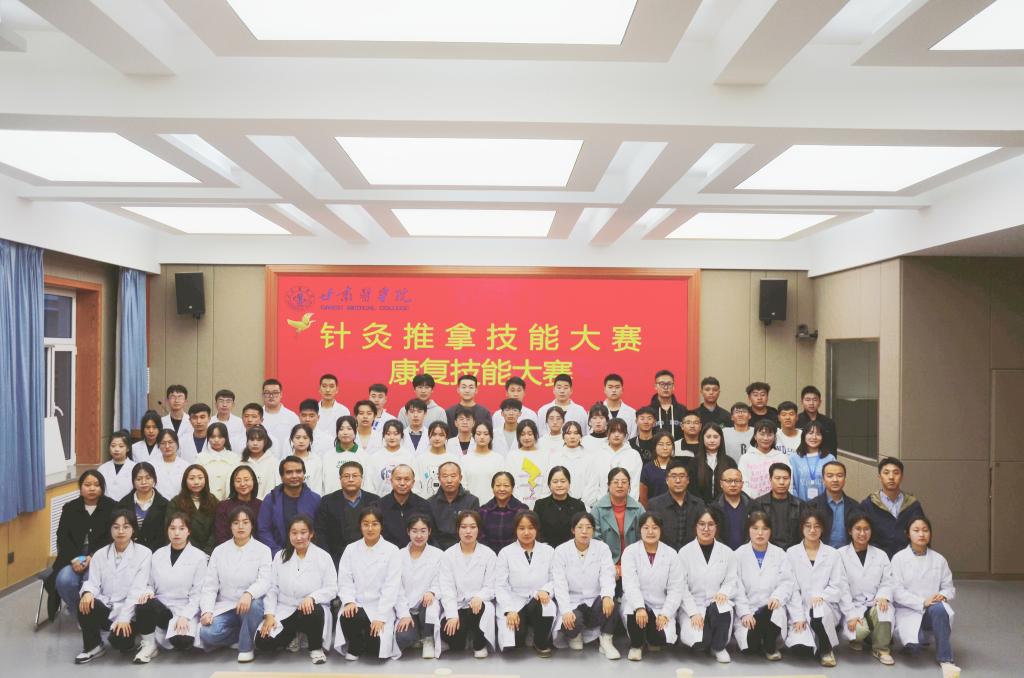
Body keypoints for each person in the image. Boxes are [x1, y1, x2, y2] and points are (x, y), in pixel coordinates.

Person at [255, 514, 336, 665]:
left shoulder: (323, 557)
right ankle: (294, 636)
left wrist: (312, 597)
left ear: (311, 534)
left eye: (303, 532)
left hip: (311, 611)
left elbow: (332, 588)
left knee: (313, 609)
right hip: (286, 608)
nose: (299, 537)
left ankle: (315, 648)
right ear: (289, 534)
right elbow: (272, 588)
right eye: (294, 533)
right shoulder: (280, 556)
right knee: (263, 642)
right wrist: (269, 615)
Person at [74, 509, 152, 664]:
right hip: (108, 606)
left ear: (133, 529)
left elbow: (137, 590)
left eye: (126, 527)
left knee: (121, 643)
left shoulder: (144, 553)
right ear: (110, 529)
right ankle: (93, 646)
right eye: (116, 527)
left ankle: (129, 640)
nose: (121, 531)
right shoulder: (100, 554)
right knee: (85, 601)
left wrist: (124, 618)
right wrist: (88, 592)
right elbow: (93, 582)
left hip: (130, 610)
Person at [199, 505, 272, 662]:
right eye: (236, 522)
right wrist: (207, 611)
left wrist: (249, 593)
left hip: (251, 605)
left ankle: (246, 648)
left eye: (245, 522)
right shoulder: (219, 551)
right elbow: (210, 586)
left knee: (254, 606)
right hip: (227, 605)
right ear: (230, 526)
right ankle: (243, 633)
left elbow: (265, 581)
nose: (240, 526)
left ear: (252, 525)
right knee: (207, 633)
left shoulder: (263, 550)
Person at [132, 513, 207, 663]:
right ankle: (149, 645)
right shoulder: (158, 554)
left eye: (181, 528)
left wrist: (185, 616)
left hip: (185, 607)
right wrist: (148, 592)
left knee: (182, 642)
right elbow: (149, 584)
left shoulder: (199, 557)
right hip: (162, 608)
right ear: (167, 531)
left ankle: (176, 633)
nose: (176, 533)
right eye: (172, 528)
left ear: (189, 531)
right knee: (143, 602)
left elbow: (198, 593)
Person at [891, 516, 958, 674]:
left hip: (932, 609)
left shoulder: (939, 559)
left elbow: (948, 587)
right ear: (908, 534)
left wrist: (942, 595)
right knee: (916, 646)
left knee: (940, 609)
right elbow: (897, 591)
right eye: (916, 530)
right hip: (907, 610)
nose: (921, 534)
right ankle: (916, 641)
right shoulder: (899, 559)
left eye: (925, 530)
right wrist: (922, 602)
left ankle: (945, 658)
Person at [47, 469, 116, 620]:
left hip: (101, 556)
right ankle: (79, 612)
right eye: (87, 485)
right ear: (80, 487)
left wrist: (92, 557)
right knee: (64, 580)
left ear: (102, 487)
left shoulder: (112, 507)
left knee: (90, 580)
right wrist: (74, 559)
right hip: (72, 556)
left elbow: (111, 538)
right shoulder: (70, 507)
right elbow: (62, 537)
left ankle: (92, 614)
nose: (92, 488)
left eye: (96, 485)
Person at [336, 506, 403, 660]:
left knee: (376, 651)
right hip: (357, 604)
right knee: (349, 615)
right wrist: (349, 601)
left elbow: (391, 587)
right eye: (366, 524)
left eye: (375, 524)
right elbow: (345, 580)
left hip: (380, 606)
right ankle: (355, 644)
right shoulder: (351, 549)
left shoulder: (392, 551)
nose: (370, 528)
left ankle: (366, 639)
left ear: (382, 526)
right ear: (360, 526)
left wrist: (380, 617)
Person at [551, 512, 619, 659]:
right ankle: (575, 636)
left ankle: (606, 640)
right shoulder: (561, 550)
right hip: (572, 600)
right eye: (580, 527)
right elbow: (559, 584)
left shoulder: (602, 548)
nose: (584, 531)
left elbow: (607, 575)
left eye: (588, 527)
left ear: (593, 530)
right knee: (573, 624)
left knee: (611, 602)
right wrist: (566, 610)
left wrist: (607, 596)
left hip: (594, 599)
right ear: (573, 530)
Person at [785, 507, 846, 668]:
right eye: (808, 526)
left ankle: (826, 649)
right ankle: (814, 639)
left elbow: (837, 587)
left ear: (823, 528)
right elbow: (791, 589)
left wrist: (822, 597)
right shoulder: (791, 553)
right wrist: (798, 616)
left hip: (826, 606)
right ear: (801, 528)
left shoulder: (833, 554)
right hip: (801, 607)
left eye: (817, 526)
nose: (812, 530)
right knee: (800, 651)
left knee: (818, 612)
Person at [676, 507, 738, 663]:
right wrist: (693, 613)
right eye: (701, 524)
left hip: (717, 602)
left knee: (722, 608)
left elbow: (732, 580)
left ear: (716, 527)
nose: (706, 529)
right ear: (695, 526)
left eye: (710, 524)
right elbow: (681, 587)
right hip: (693, 605)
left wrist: (724, 592)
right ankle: (708, 640)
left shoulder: (727, 552)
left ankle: (719, 647)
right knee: (700, 642)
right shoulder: (684, 553)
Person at [620, 512, 683, 661]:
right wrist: (639, 607)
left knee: (659, 639)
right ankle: (636, 645)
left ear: (661, 530)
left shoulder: (671, 554)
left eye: (655, 528)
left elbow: (676, 588)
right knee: (634, 612)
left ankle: (650, 637)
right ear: (639, 530)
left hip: (660, 605)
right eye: (646, 527)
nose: (650, 532)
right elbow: (630, 584)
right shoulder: (630, 552)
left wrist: (666, 613)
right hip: (635, 602)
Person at [733, 511, 794, 660]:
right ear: (748, 530)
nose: (760, 533)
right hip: (749, 611)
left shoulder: (780, 554)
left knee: (773, 612)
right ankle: (762, 641)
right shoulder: (738, 555)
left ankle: (770, 645)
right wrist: (744, 613)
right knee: (750, 648)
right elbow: (736, 587)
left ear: (770, 531)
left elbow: (786, 581)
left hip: (771, 608)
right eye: (755, 528)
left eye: (765, 528)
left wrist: (777, 597)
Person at [494, 512, 557, 657]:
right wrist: (509, 609)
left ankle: (540, 642)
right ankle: (525, 633)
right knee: (513, 643)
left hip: (539, 598)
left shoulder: (549, 551)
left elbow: (556, 578)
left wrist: (546, 590)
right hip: (515, 599)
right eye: (522, 528)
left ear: (537, 529)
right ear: (515, 530)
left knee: (545, 606)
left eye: (531, 528)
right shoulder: (505, 553)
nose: (526, 532)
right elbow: (501, 586)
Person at [839, 512, 896, 665]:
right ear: (850, 531)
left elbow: (888, 581)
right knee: (857, 633)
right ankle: (866, 636)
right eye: (858, 529)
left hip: (875, 603)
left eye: (866, 529)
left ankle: (881, 649)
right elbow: (842, 588)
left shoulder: (881, 555)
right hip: (854, 605)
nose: (862, 533)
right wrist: (851, 614)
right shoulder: (840, 555)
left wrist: (883, 596)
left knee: (883, 609)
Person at [439, 511, 497, 657]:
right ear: (457, 529)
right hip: (458, 605)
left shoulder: (489, 554)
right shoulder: (448, 555)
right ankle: (464, 637)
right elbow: (447, 588)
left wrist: (479, 597)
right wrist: (452, 615)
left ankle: (479, 645)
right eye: (463, 527)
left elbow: (491, 586)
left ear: (479, 529)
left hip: (478, 604)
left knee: (479, 608)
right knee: (454, 641)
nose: (468, 531)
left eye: (472, 527)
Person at [394, 515, 444, 659]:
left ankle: (428, 638)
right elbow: (396, 587)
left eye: (423, 531)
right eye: (414, 531)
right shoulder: (398, 555)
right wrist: (404, 614)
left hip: (426, 604)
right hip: (407, 607)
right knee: (403, 638)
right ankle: (416, 634)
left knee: (429, 604)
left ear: (429, 531)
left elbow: (441, 580)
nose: (419, 535)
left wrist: (432, 592)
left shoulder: (438, 555)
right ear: (408, 532)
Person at [315, 460, 381, 566]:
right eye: (346, 476)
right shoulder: (327, 501)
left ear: (362, 478)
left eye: (355, 476)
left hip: (369, 557)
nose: (351, 479)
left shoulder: (374, 501)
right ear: (340, 479)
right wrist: (328, 559)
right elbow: (320, 533)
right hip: (336, 558)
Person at [860, 457, 926, 558]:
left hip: (907, 560)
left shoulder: (913, 505)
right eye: (886, 473)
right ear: (879, 476)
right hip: (877, 560)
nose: (891, 477)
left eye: (896, 473)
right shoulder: (868, 505)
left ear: (902, 476)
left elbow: (921, 534)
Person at [257, 456, 321, 555]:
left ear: (304, 474)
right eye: (289, 472)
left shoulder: (315, 499)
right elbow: (263, 530)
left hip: (309, 555)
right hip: (277, 555)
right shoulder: (271, 499)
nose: (294, 476)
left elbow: (320, 531)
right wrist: (278, 553)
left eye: (298, 471)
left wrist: (309, 553)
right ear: (281, 476)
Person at [592, 468, 643, 582]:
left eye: (624, 482)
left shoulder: (638, 508)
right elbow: (595, 541)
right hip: (605, 565)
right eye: (615, 482)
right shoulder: (597, 509)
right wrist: (609, 566)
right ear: (608, 485)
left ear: (629, 486)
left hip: (634, 564)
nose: (620, 485)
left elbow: (643, 538)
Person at [646, 458, 706, 550]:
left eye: (682, 476)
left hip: (692, 554)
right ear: (667, 480)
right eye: (673, 476)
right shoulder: (655, 505)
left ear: (688, 480)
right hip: (663, 554)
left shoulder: (698, 504)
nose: (678, 480)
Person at [167, 464, 220, 554]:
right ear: (185, 481)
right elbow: (170, 529)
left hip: (209, 552)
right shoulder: (176, 502)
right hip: (184, 552)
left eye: (200, 478)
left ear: (206, 480)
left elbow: (217, 530)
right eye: (191, 478)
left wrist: (207, 552)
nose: (196, 482)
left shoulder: (214, 501)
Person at [427, 461, 480, 551]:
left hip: (463, 549)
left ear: (460, 478)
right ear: (439, 479)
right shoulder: (430, 503)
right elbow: (430, 534)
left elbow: (473, 531)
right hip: (437, 551)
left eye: (453, 476)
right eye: (445, 476)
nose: (449, 480)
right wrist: (439, 552)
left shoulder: (472, 501)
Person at [379, 464, 436, 547]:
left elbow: (431, 536)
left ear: (413, 483)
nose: (402, 483)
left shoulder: (424, 506)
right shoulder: (379, 505)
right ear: (391, 481)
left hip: (417, 552)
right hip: (387, 553)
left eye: (407, 479)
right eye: (398, 479)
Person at [751, 463, 804, 550]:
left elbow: (803, 533)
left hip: (793, 552)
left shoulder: (800, 505)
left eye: (785, 478)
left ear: (790, 480)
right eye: (777, 478)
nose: (781, 482)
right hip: (767, 551)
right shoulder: (759, 504)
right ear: (770, 479)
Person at [807, 460, 859, 548]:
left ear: (845, 479)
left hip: (847, 554)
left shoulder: (855, 506)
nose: (835, 480)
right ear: (823, 480)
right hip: (820, 553)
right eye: (830, 476)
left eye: (839, 475)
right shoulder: (812, 506)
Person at [119, 462, 170, 551]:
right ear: (133, 482)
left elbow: (166, 534)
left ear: (154, 479)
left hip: (156, 552)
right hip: (129, 551)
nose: (143, 482)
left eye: (148, 478)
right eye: (139, 479)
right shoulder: (123, 504)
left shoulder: (165, 505)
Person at [533, 466, 586, 547]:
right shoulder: (540, 505)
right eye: (555, 482)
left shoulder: (578, 505)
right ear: (549, 484)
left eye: (563, 481)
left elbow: (583, 530)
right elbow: (535, 530)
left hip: (572, 550)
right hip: (546, 550)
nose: (559, 485)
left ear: (569, 483)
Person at [552, 420, 600, 506]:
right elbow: (551, 482)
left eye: (576, 433)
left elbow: (592, 484)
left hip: (584, 505)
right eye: (569, 433)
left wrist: (581, 505)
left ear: (580, 436)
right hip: (559, 504)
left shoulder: (589, 458)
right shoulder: (555, 457)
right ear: (563, 436)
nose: (572, 436)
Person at [736, 419, 788, 498]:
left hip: (778, 501)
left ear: (774, 437)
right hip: (753, 502)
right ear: (755, 436)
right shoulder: (746, 458)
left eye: (769, 435)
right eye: (762, 434)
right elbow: (743, 483)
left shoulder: (781, 457)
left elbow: (788, 482)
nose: (765, 438)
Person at [506, 419, 552, 507]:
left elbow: (547, 482)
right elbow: (510, 482)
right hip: (517, 506)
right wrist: (519, 504)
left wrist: (541, 503)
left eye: (530, 434)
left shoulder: (545, 455)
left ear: (535, 435)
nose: (526, 438)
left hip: (542, 505)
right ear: (518, 436)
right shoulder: (512, 456)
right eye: (522, 434)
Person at [480, 471, 528, 553]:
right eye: (498, 485)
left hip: (516, 555)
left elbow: (525, 536)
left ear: (512, 488)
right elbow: (480, 537)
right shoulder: (484, 510)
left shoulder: (522, 510)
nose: (502, 489)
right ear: (492, 487)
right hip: (489, 556)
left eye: (506, 486)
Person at [213, 465, 262, 546]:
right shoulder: (223, 507)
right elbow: (221, 536)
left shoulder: (262, 506)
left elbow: (263, 533)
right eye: (238, 481)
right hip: (228, 550)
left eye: (246, 480)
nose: (242, 484)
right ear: (233, 484)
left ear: (254, 481)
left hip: (256, 551)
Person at [461, 420, 509, 500]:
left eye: (486, 434)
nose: (482, 437)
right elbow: (463, 485)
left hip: (493, 505)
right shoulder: (465, 459)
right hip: (470, 504)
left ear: (491, 437)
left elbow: (503, 484)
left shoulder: (498, 459)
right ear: (473, 436)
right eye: (478, 434)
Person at [323, 415, 371, 494]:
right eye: (341, 429)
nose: (345, 433)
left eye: (349, 429)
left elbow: (367, 484)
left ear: (355, 431)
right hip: (331, 499)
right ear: (337, 432)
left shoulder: (364, 456)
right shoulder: (328, 456)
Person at [789, 421, 836, 502]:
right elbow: (791, 485)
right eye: (810, 433)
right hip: (800, 505)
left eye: (818, 434)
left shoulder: (830, 458)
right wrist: (798, 503)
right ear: (804, 435)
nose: (814, 437)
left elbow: (834, 484)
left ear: (823, 437)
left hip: (824, 505)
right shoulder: (794, 458)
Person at [366, 419, 416, 495]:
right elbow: (369, 483)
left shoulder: (409, 457)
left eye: (396, 434)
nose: (392, 437)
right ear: (383, 435)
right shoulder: (375, 457)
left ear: (401, 435)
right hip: (379, 500)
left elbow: (415, 483)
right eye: (388, 434)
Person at [692, 422, 738, 503]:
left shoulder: (730, 462)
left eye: (716, 437)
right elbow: (692, 489)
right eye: (708, 437)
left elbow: (734, 487)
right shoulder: (694, 462)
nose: (712, 440)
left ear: (721, 439)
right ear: (702, 438)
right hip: (699, 507)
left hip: (724, 506)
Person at [414, 421, 461, 499]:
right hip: (425, 503)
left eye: (441, 435)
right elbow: (415, 485)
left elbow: (460, 483)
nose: (437, 438)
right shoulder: (420, 460)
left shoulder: (454, 459)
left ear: (446, 437)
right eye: (434, 434)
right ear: (429, 436)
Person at [711, 467, 754, 550]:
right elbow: (713, 534)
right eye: (729, 481)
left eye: (737, 481)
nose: (733, 484)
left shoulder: (753, 506)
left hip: (748, 553)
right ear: (721, 484)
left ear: (742, 484)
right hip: (722, 553)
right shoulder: (713, 508)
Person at [600, 418, 643, 501]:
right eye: (613, 431)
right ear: (607, 433)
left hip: (627, 503)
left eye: (620, 432)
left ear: (625, 434)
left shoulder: (634, 455)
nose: (616, 435)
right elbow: (594, 483)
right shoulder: (599, 454)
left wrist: (631, 503)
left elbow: (635, 483)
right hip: (601, 502)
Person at [197, 422, 240, 501]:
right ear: (208, 438)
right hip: (206, 501)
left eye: (220, 437)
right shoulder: (200, 458)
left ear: (226, 438)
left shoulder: (234, 458)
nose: (216, 440)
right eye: (212, 437)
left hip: (229, 501)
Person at [241, 425, 277, 501]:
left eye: (259, 440)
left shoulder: (274, 462)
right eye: (252, 439)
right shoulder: (240, 462)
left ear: (265, 442)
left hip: (267, 504)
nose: (255, 443)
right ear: (247, 442)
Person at [798, 385, 838, 454]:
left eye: (815, 400)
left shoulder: (829, 422)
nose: (811, 403)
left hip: (823, 458)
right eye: (808, 400)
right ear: (802, 402)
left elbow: (833, 447)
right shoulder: (796, 421)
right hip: (801, 457)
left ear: (820, 402)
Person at [638, 431, 675, 505]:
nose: (665, 448)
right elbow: (643, 498)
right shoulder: (647, 468)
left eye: (668, 444)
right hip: (654, 510)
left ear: (673, 447)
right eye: (661, 444)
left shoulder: (678, 466)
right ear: (655, 446)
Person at [98, 430, 136, 501]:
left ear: (128, 448)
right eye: (113, 446)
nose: (116, 449)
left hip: (127, 506)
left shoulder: (135, 468)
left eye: (121, 446)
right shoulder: (102, 469)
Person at [260, 378, 300, 445]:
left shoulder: (292, 417)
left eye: (275, 393)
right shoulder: (257, 416)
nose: (271, 396)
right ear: (263, 395)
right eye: (267, 393)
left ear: (281, 394)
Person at [649, 369, 685, 442]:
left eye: (669, 384)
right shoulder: (649, 411)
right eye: (662, 384)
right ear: (655, 386)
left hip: (678, 449)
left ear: (673, 386)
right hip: (655, 449)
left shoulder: (682, 410)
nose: (666, 387)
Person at [153, 429, 190, 499]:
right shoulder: (151, 465)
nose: (167, 446)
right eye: (163, 443)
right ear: (158, 445)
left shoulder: (186, 466)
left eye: (170, 442)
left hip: (179, 503)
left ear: (177, 443)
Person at [288, 423, 324, 494]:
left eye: (305, 438)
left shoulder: (316, 461)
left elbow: (318, 488)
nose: (301, 441)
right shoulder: (286, 461)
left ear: (310, 440)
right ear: (292, 439)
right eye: (297, 437)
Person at [315, 373, 350, 442]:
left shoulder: (343, 411)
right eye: (324, 386)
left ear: (337, 390)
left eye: (331, 386)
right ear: (319, 389)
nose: (327, 390)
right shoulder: (313, 410)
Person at [602, 373, 636, 437]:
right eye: (610, 387)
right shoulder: (596, 412)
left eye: (617, 387)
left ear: (622, 390)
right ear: (604, 390)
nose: (614, 390)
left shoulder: (632, 413)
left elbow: (633, 436)